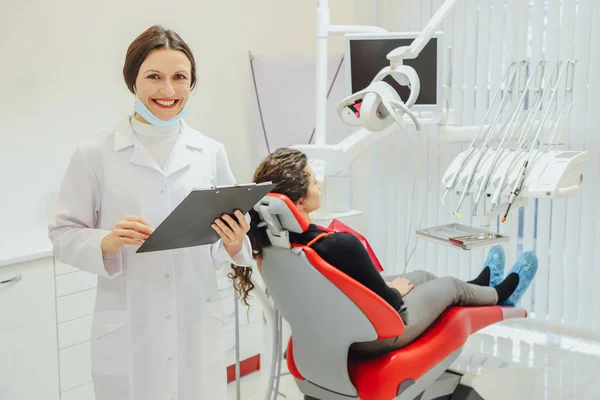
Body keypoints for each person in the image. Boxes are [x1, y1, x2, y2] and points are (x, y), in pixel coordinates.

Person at [48, 26, 252, 400]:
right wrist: (105, 241)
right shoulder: (95, 154)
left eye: (180, 77)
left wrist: (237, 242)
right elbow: (62, 233)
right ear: (133, 81)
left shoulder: (209, 151)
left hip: (195, 319)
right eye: (154, 77)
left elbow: (231, 231)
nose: (168, 90)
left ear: (191, 83)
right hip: (129, 324)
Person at [244, 148, 538, 358]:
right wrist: (394, 290)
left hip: (331, 334)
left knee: (423, 276)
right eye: (311, 178)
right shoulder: (337, 245)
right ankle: (502, 293)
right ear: (297, 199)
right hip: (377, 335)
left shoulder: (276, 250)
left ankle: (480, 285)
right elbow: (391, 302)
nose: (318, 182)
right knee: (449, 286)